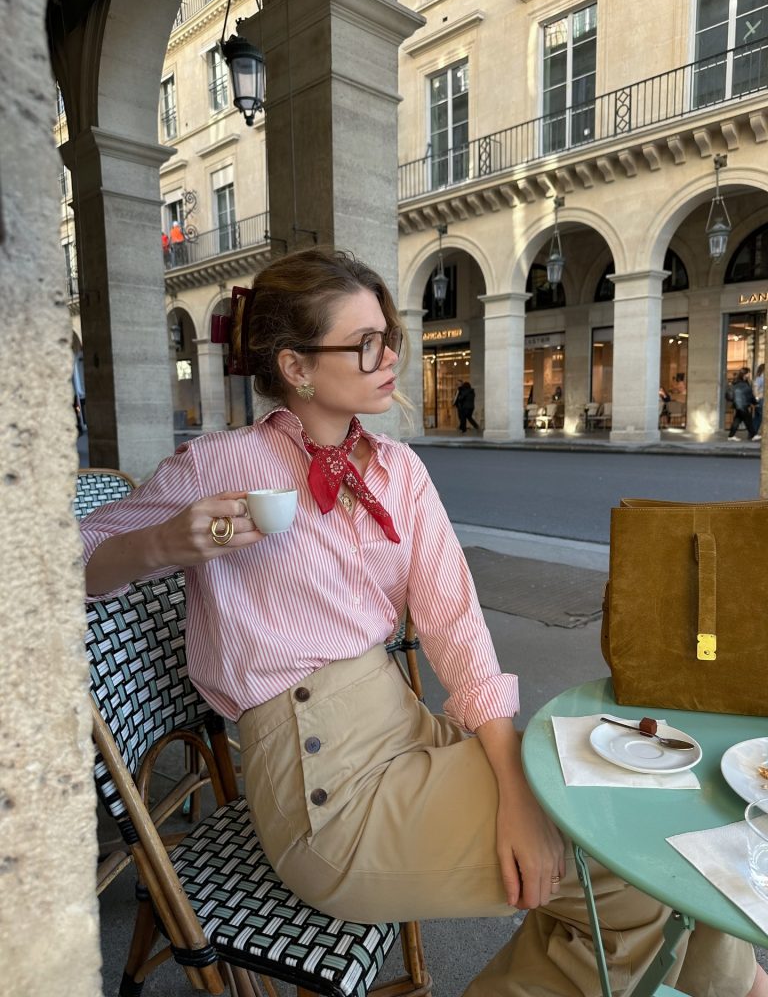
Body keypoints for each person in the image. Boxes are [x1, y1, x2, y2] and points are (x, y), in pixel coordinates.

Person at [80, 248, 763, 997]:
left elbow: (456, 626)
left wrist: (512, 780)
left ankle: (737, 985)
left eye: (389, 337)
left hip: (406, 731)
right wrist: (162, 544)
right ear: (296, 366)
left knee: (646, 821)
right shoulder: (218, 464)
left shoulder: (398, 470)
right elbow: (70, 562)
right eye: (364, 343)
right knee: (629, 876)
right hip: (321, 783)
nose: (389, 359)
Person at [726, 368, 760, 441]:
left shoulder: (736, 382)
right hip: (742, 404)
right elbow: (750, 395)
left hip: (738, 404)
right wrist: (755, 403)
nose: (749, 374)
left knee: (737, 420)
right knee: (748, 420)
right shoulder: (744, 384)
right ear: (745, 374)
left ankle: (731, 436)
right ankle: (753, 435)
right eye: (748, 373)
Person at [754, 363, 765, 437]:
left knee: (757, 418)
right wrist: (757, 398)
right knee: (762, 417)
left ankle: (752, 433)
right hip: (761, 400)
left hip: (760, 400)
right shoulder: (761, 378)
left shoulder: (760, 377)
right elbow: (755, 388)